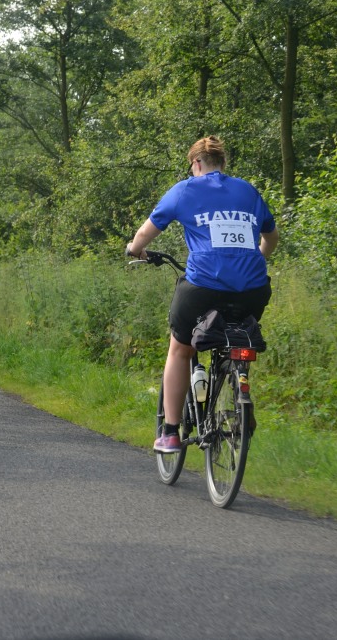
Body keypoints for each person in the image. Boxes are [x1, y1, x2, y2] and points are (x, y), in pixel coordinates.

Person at [127, 136, 279, 453]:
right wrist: (255, 259)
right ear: (223, 163)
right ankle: (238, 387)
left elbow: (144, 234)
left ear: (196, 163)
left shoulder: (185, 189)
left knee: (180, 349)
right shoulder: (248, 191)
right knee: (239, 336)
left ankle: (170, 433)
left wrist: (135, 249)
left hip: (203, 288)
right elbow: (272, 237)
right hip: (254, 289)